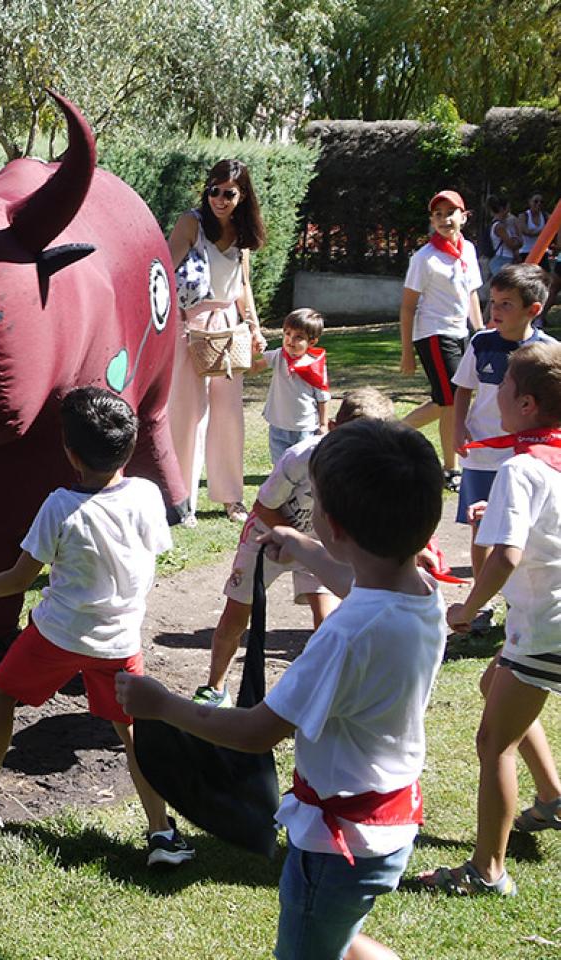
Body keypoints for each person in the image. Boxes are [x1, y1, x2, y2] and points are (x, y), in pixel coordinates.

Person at [118, 417, 446, 960]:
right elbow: (359, 583)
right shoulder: (420, 593)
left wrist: (163, 704)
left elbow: (255, 731)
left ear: (333, 525)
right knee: (333, 938)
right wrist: (302, 546)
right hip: (390, 819)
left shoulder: (345, 635)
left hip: (339, 841)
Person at [0, 387, 195, 867]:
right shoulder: (146, 494)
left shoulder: (59, 506)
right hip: (119, 639)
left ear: (70, 453)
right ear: (130, 445)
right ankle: (162, 834)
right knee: (132, 729)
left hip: (57, 634)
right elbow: (153, 552)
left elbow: (17, 579)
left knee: (2, 696)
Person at [419, 340, 561, 897]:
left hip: (544, 627)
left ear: (525, 404)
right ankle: (551, 798)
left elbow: (506, 555)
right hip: (548, 623)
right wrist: (496, 513)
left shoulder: (522, 469)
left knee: (492, 743)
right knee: (489, 681)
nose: (492, 394)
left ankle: (486, 870)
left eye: (502, 386)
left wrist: (467, 610)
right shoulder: (549, 459)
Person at [191, 387, 395, 707]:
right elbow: (262, 505)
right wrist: (288, 539)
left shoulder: (371, 470)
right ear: (333, 429)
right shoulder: (303, 457)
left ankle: (324, 693)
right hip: (266, 535)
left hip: (317, 545)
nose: (359, 452)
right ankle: (215, 689)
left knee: (328, 621)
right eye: (353, 440)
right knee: (235, 616)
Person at [167, 158, 267, 526]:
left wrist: (254, 327)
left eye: (228, 193)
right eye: (214, 191)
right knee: (187, 413)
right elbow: (164, 267)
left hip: (228, 327)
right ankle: (180, 501)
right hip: (189, 324)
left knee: (229, 414)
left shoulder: (243, 234)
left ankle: (231, 498)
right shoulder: (191, 223)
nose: (219, 199)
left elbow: (243, 286)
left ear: (242, 196)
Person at [450, 263, 554, 590]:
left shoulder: (548, 352)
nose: (495, 310)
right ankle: (482, 598)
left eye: (506, 304)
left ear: (533, 310)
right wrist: (458, 429)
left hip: (528, 455)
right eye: (493, 302)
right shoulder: (480, 343)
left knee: (523, 530)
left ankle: (518, 595)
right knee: (480, 529)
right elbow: (463, 388)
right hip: (481, 453)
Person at [400, 190, 484, 492]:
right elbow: (408, 307)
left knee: (449, 397)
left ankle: (394, 430)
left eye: (451, 212)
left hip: (461, 333)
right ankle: (452, 468)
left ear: (464, 216)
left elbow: (472, 293)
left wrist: (482, 331)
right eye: (438, 214)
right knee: (451, 400)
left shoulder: (468, 250)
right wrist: (406, 352)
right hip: (433, 333)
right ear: (432, 220)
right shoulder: (424, 258)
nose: (445, 219)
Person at [256, 308, 331, 464]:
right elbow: (254, 367)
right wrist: (251, 352)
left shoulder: (314, 365)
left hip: (303, 427)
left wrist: (323, 425)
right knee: (280, 466)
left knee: (301, 468)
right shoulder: (278, 356)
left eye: (298, 337)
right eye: (287, 334)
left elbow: (323, 397)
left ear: (312, 342)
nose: (290, 340)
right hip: (278, 425)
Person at [487, 194, 522, 280]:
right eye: (508, 208)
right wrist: (518, 239)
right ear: (503, 209)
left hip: (506, 259)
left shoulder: (503, 225)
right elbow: (511, 245)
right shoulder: (499, 227)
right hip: (502, 260)